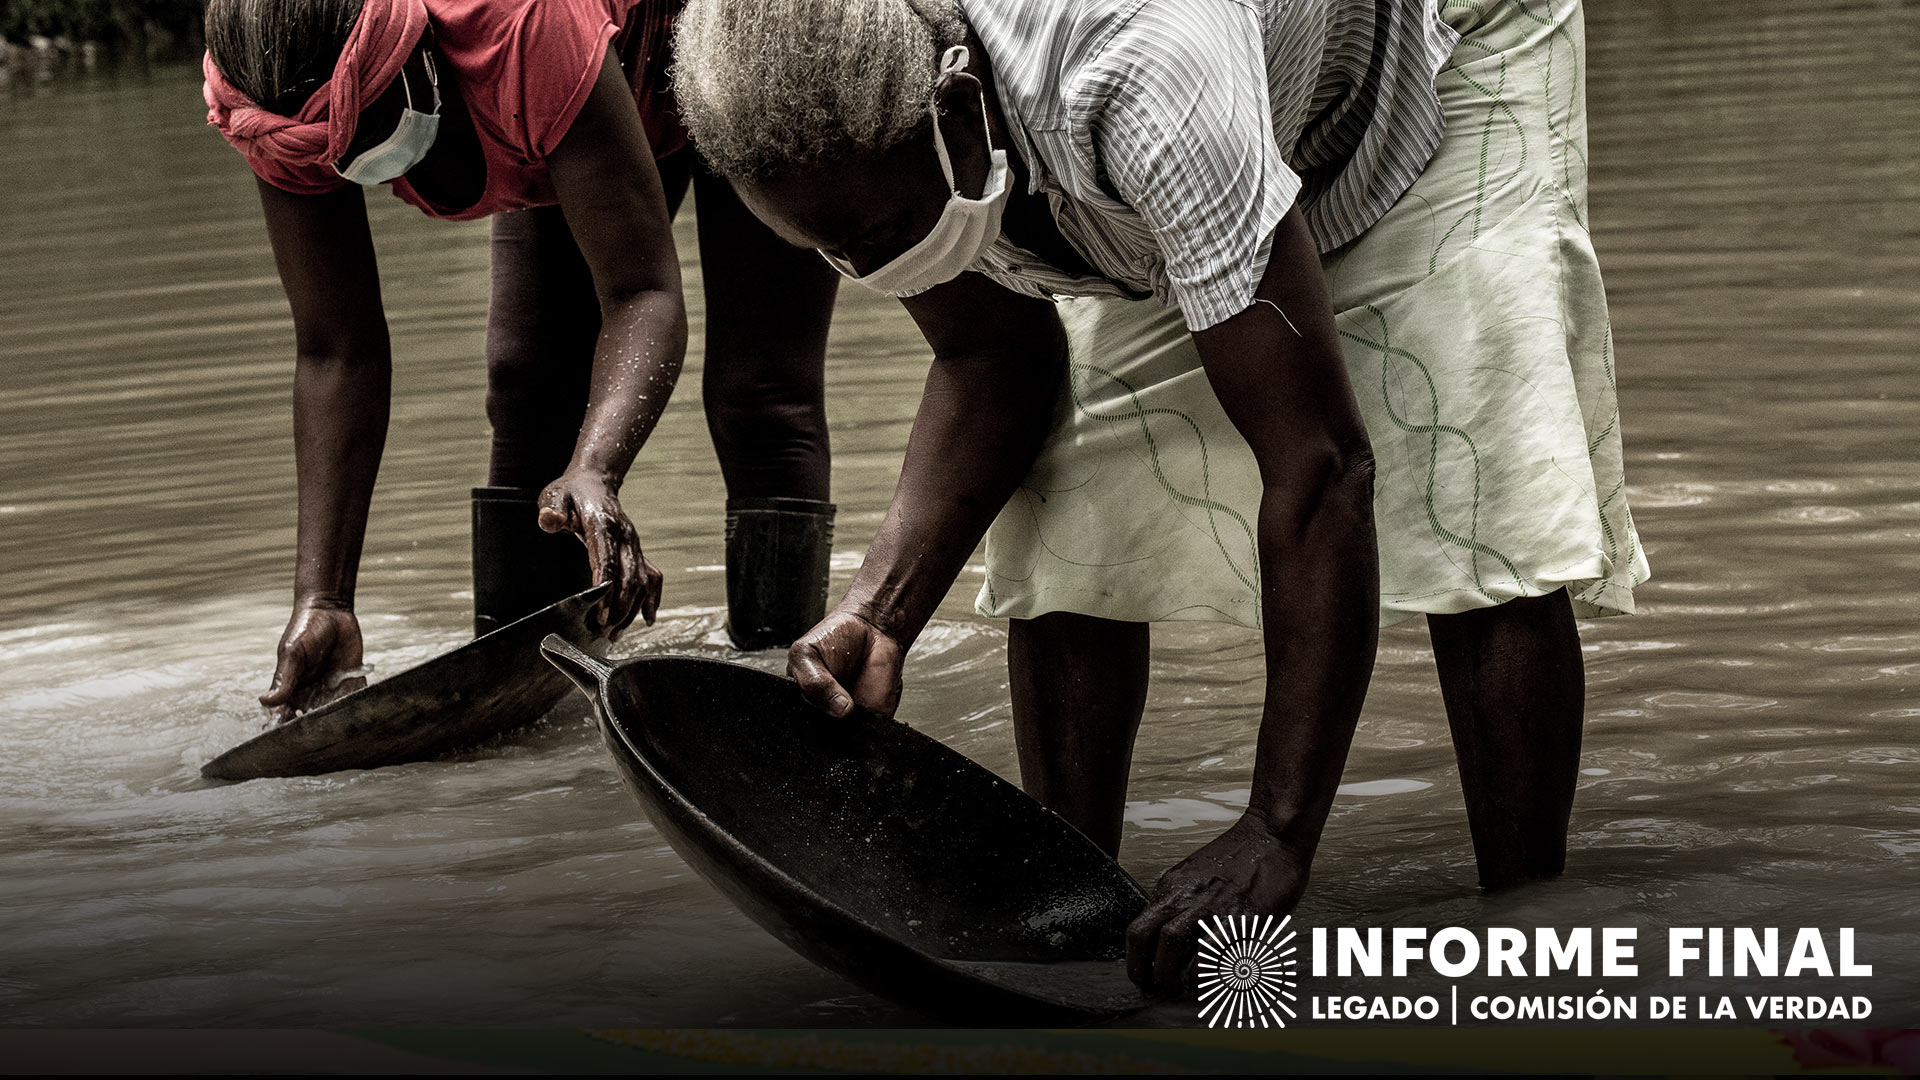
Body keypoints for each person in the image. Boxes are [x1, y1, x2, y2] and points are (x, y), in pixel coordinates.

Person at [672, 0, 1648, 993]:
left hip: (1435, 48)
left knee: (1470, 485)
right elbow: (992, 361)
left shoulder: (1136, 66)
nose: (864, 268)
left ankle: (1531, 943)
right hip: (1193, 116)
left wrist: (1276, 827)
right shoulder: (857, 118)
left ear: (958, 107)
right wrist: (879, 617)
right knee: (1074, 503)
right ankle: (1070, 913)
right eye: (830, 252)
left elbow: (1319, 470)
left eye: (876, 235)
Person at [202, 0, 842, 721]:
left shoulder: (518, 25)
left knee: (758, 396)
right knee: (528, 388)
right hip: (588, 72)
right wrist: (323, 595)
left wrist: (597, 471)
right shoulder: (270, 99)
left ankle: (785, 688)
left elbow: (641, 292)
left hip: (749, 22)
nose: (358, 172)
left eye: (367, 142)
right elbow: (334, 351)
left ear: (420, 63)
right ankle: (529, 703)